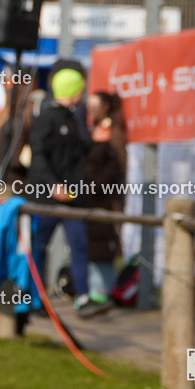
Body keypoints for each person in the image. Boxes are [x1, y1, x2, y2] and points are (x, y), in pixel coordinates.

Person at [26, 66, 92, 310]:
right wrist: (53, 185)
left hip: (73, 197)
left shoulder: (75, 117)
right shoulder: (47, 117)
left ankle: (83, 296)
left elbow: (76, 154)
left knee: (79, 244)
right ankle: (35, 297)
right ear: (73, 90)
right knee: (39, 247)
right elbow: (38, 155)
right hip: (47, 198)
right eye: (80, 89)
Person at [79, 91, 127, 318]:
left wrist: (94, 185)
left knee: (103, 247)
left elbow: (118, 166)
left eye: (94, 106)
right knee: (91, 246)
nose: (90, 110)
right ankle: (96, 293)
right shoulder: (94, 130)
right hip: (91, 199)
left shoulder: (113, 131)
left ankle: (103, 293)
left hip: (105, 200)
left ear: (105, 107)